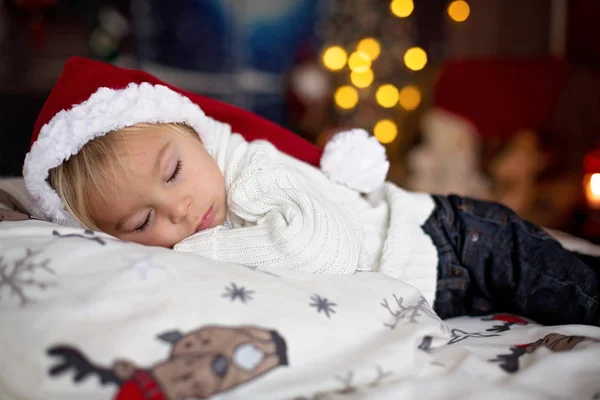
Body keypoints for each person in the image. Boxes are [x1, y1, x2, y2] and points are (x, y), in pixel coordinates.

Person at [23, 57, 600, 327]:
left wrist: (188, 251)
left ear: (194, 135)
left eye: (173, 173)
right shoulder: (202, 203)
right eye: (140, 222)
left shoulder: (252, 172)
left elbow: (326, 253)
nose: (178, 211)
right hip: (443, 281)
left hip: (457, 242)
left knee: (577, 290)